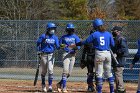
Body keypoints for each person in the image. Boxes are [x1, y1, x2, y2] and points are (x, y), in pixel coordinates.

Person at [69, 18, 115, 93]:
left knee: (99, 73)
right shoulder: (108, 33)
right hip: (107, 54)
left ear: (95, 26)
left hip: (99, 54)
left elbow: (86, 42)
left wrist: (75, 44)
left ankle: (99, 91)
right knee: (109, 72)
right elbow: (113, 45)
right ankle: (112, 91)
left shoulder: (95, 34)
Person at [56, 23, 80, 93]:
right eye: (69, 29)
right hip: (66, 55)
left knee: (69, 74)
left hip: (72, 55)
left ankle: (59, 84)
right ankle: (64, 88)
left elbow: (78, 46)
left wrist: (72, 47)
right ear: (67, 30)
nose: (70, 31)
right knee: (65, 72)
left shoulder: (75, 37)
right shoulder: (64, 37)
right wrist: (62, 46)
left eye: (71, 29)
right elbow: (59, 45)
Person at [36, 22, 60, 92]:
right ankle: (43, 85)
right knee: (44, 71)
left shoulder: (55, 37)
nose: (53, 30)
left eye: (54, 29)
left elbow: (57, 46)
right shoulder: (43, 36)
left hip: (51, 55)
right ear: (48, 29)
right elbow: (38, 43)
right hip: (44, 55)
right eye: (52, 28)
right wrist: (39, 51)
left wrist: (61, 46)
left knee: (50, 70)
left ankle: (50, 86)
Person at [111, 26, 129, 93]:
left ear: (118, 31)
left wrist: (116, 53)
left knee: (118, 73)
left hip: (120, 59)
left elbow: (123, 49)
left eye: (114, 31)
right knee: (117, 73)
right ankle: (119, 88)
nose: (112, 32)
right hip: (117, 59)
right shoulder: (116, 38)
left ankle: (121, 89)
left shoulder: (121, 38)